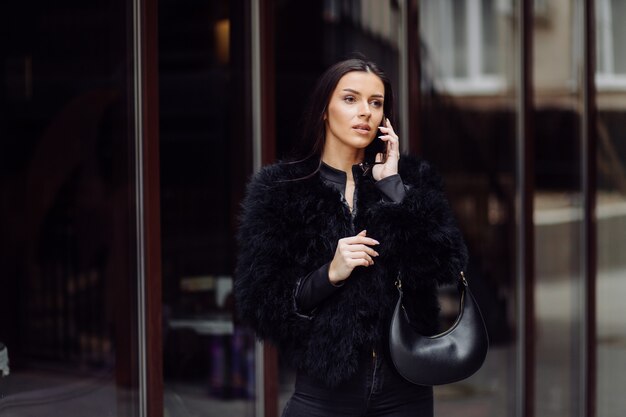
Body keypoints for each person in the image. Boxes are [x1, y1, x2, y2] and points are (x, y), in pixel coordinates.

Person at [235, 58, 468, 417]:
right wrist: (329, 274)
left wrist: (392, 187)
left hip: (405, 390)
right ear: (324, 110)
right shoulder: (281, 190)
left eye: (376, 103)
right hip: (324, 393)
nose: (366, 112)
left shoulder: (409, 181)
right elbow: (259, 303)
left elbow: (446, 263)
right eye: (350, 99)